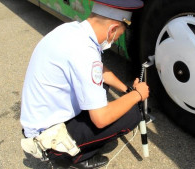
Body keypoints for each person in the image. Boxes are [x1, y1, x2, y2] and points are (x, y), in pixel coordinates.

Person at [20, 0, 148, 168]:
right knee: (132, 113)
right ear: (112, 30)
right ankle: (74, 157)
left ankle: (79, 143)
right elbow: (101, 119)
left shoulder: (72, 30)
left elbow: (99, 71)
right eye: (118, 36)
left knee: (103, 88)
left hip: (39, 122)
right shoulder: (85, 54)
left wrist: (127, 90)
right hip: (49, 138)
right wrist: (137, 95)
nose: (115, 39)